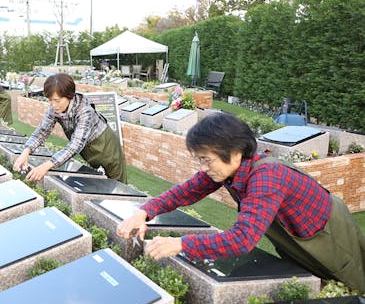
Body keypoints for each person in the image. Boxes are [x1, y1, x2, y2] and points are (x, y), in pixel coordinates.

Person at [116, 113, 365, 293]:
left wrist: (180, 243)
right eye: (199, 160)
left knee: (353, 284)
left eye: (206, 160)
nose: (203, 168)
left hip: (328, 237)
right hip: (297, 239)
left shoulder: (266, 177)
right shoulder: (230, 169)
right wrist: (144, 212)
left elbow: (242, 239)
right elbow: (185, 192)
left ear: (235, 152)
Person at [13, 73, 127, 183]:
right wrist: (26, 152)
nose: (53, 105)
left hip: (106, 148)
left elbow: (74, 146)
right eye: (50, 100)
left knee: (118, 187)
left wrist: (45, 166)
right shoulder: (54, 108)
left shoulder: (85, 111)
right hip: (87, 149)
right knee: (99, 184)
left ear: (69, 96)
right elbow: (42, 131)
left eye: (57, 100)